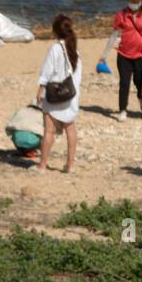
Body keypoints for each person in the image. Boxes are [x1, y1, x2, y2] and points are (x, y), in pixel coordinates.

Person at [34, 14, 84, 173]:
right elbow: (78, 75)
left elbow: (47, 71)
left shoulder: (56, 48)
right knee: (70, 128)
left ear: (55, 32)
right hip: (70, 96)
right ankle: (70, 165)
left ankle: (42, 165)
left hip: (55, 95)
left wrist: (40, 89)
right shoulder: (74, 50)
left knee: (49, 131)